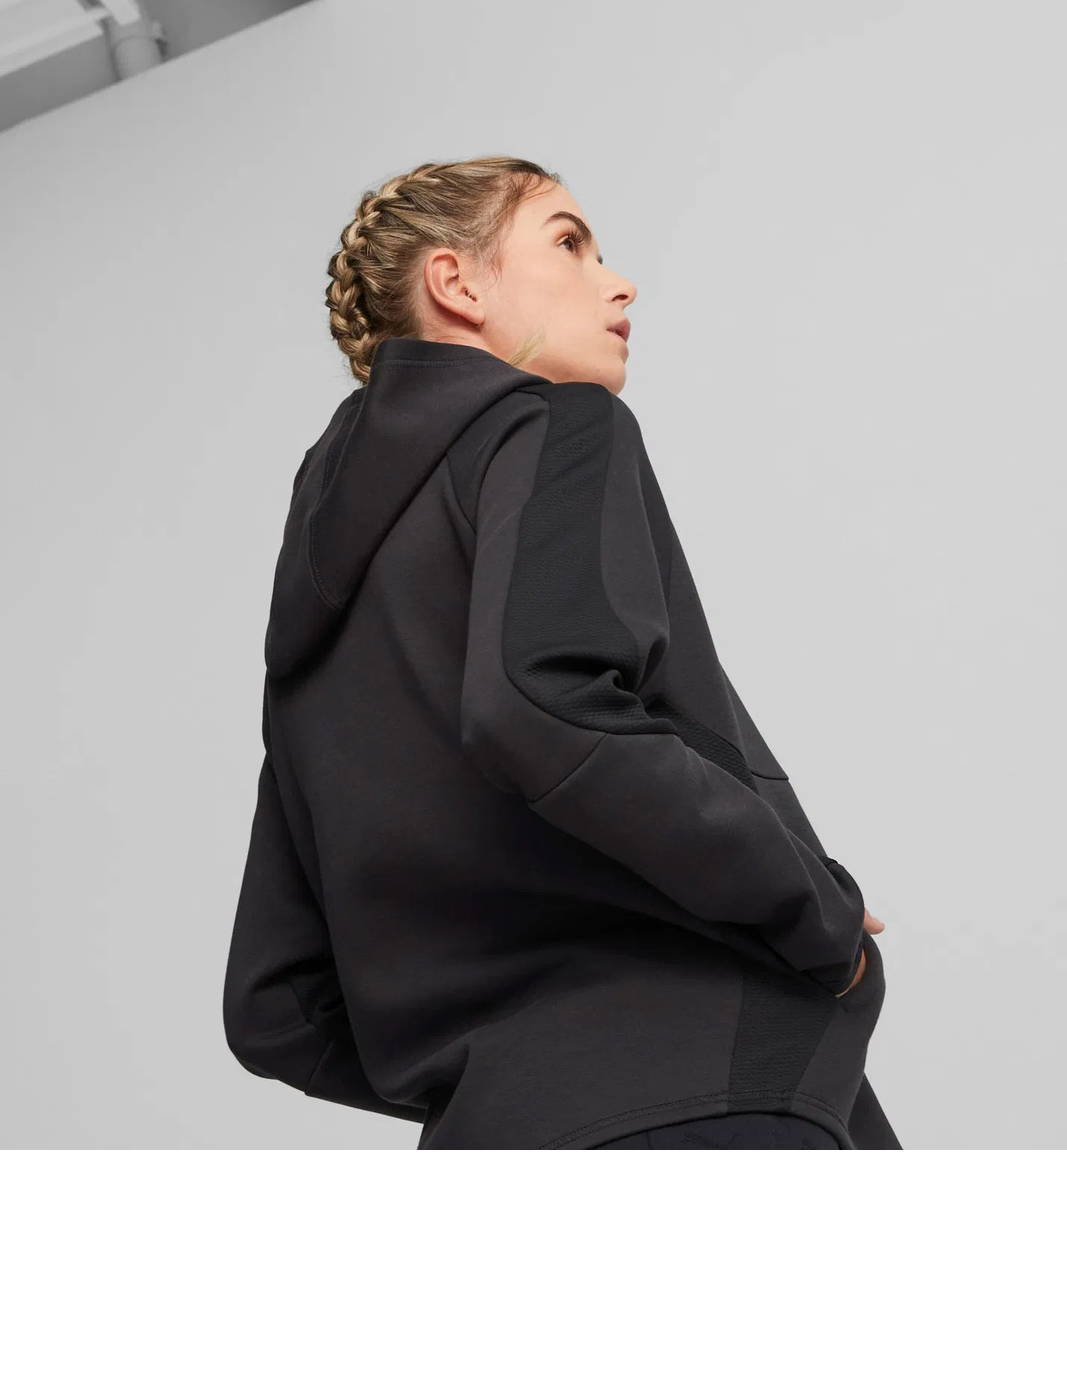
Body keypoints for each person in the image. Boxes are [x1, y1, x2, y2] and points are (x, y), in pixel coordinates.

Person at [222, 156, 901, 1150]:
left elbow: (274, 1007)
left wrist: (508, 1100)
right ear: (457, 284)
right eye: (570, 243)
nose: (619, 283)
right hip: (709, 1090)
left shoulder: (324, 595)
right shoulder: (554, 424)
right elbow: (540, 707)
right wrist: (824, 918)